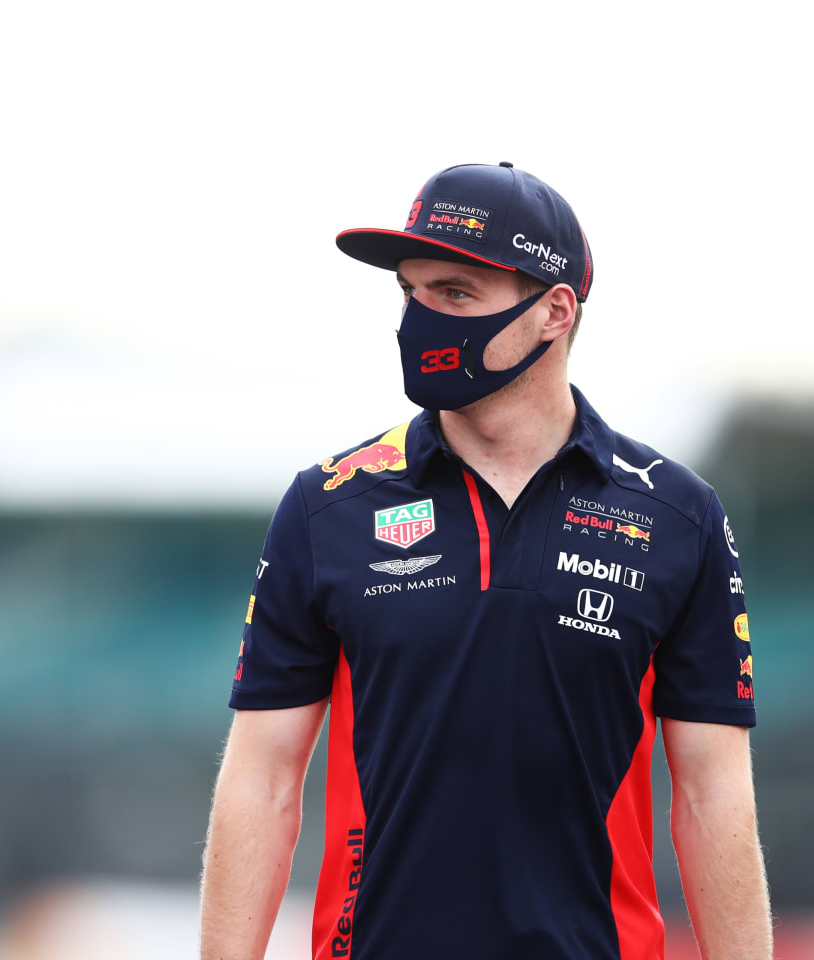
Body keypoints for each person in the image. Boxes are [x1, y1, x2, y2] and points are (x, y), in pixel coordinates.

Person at [199, 162, 771, 959]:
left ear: (555, 311)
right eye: (410, 292)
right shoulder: (326, 505)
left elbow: (714, 798)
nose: (420, 319)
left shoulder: (678, 516)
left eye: (456, 294)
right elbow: (263, 779)